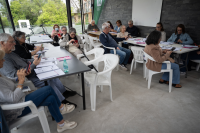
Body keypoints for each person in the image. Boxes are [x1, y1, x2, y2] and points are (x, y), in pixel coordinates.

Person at [0, 50, 77, 132]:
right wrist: (21, 82)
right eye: (1, 59)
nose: (4, 60)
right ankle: (61, 107)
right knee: (48, 89)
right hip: (16, 108)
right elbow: (13, 98)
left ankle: (61, 125)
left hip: (20, 99)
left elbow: (11, 81)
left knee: (51, 98)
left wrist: (19, 77)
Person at [0, 33, 76, 104]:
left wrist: (34, 59)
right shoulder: (4, 58)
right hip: (28, 78)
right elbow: (13, 75)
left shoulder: (10, 52)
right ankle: (61, 101)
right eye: (11, 42)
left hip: (32, 72)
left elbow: (24, 60)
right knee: (48, 80)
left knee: (51, 72)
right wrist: (33, 64)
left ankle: (64, 92)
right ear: (2, 43)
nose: (14, 43)